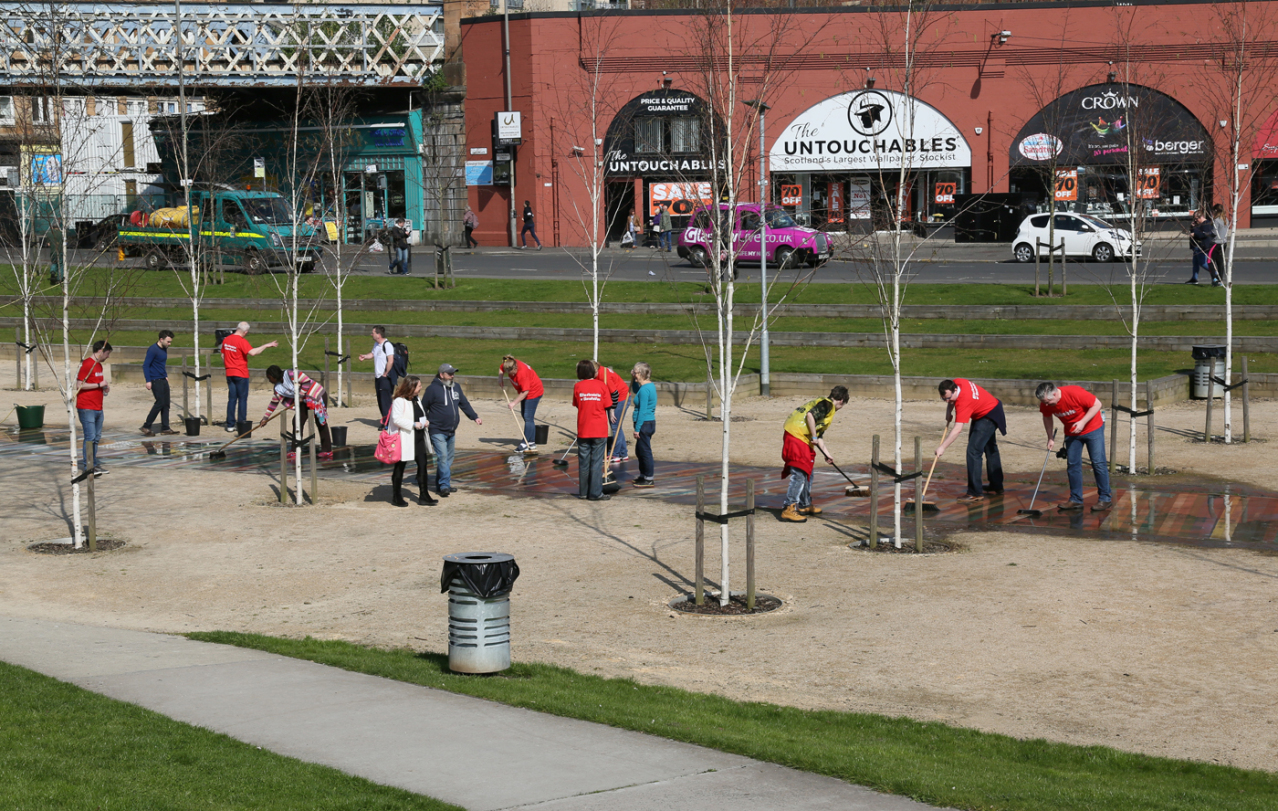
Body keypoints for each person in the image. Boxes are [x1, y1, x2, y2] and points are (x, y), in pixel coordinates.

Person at [1036, 382, 1112, 512]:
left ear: (1055, 393)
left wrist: (1082, 422)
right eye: (1044, 402)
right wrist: (1050, 437)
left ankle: (1105, 498)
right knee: (1072, 465)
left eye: (1048, 401)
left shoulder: (1074, 392)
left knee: (1098, 463)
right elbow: (1047, 417)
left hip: (1093, 428)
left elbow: (1097, 404)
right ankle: (1076, 499)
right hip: (1071, 432)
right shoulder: (1046, 403)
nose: (1047, 405)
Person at [779, 386, 848, 523]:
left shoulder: (825, 407)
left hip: (800, 437)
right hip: (796, 436)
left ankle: (805, 505)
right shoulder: (827, 404)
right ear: (841, 401)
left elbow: (819, 435)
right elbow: (810, 415)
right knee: (799, 472)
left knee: (808, 471)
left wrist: (827, 454)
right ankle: (789, 507)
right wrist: (814, 437)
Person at [936, 378, 1007, 503]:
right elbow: (951, 401)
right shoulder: (957, 382)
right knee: (990, 448)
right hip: (986, 409)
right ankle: (996, 486)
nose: (947, 401)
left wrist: (942, 447)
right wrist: (948, 412)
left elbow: (957, 429)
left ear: (955, 389)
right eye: (944, 399)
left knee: (973, 451)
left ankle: (974, 493)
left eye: (948, 398)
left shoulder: (963, 402)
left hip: (989, 414)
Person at [422, 363, 482, 497]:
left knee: (448, 459)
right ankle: (445, 486)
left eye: (453, 373)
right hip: (436, 430)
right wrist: (424, 422)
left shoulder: (456, 387)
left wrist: (474, 417)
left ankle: (441, 484)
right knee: (442, 458)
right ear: (441, 375)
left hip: (451, 430)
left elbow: (464, 403)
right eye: (449, 374)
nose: (452, 376)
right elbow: (423, 407)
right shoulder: (432, 389)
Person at [260, 365, 333, 458]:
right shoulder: (277, 388)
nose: (269, 380)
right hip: (304, 400)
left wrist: (301, 396)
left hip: (317, 396)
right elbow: (273, 403)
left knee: (320, 422)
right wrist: (265, 418)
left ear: (274, 376)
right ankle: (295, 450)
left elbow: (306, 381)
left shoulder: (291, 373)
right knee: (297, 421)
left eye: (269, 378)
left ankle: (327, 450)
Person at [221, 322, 277, 432]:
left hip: (229, 372)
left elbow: (223, 355)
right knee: (242, 399)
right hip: (241, 373)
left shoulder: (226, 339)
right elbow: (253, 352)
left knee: (232, 399)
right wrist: (266, 345)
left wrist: (228, 365)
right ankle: (242, 423)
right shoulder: (241, 341)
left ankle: (230, 424)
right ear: (245, 332)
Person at [572, 358, 611, 501]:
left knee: (584, 462)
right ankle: (595, 493)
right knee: (596, 462)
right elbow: (608, 405)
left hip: (583, 428)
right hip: (599, 429)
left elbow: (577, 404)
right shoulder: (601, 386)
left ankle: (583, 492)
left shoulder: (577, 387)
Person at [389, 376, 428, 507]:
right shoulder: (399, 401)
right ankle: (396, 495)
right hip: (404, 438)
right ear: (411, 387)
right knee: (400, 466)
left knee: (423, 464)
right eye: (419, 386)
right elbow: (396, 419)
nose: (421, 388)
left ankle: (424, 494)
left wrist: (424, 421)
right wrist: (412, 424)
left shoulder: (417, 399)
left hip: (418, 437)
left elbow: (419, 414)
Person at [75, 340, 113, 476]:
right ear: (101, 351)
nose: (108, 356)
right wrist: (98, 385)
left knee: (96, 437)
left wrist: (104, 388)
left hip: (98, 407)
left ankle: (94, 464)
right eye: (107, 353)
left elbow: (97, 383)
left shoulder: (99, 366)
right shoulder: (87, 364)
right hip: (86, 407)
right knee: (90, 437)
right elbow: (79, 385)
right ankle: (88, 467)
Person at [499, 354, 544, 452]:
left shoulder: (522, 374)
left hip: (533, 392)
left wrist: (513, 403)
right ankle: (531, 441)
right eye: (508, 373)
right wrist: (500, 378)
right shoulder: (508, 363)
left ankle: (525, 443)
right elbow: (501, 368)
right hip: (524, 392)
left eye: (512, 373)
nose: (511, 375)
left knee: (528, 417)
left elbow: (525, 392)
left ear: (515, 368)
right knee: (526, 416)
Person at [141, 330, 178, 436]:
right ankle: (146, 426)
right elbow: (146, 365)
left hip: (162, 378)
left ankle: (165, 427)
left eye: (170, 342)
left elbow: (160, 364)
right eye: (168, 342)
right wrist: (148, 380)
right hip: (155, 380)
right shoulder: (153, 350)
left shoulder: (164, 349)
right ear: (161, 340)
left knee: (166, 404)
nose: (169, 344)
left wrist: (165, 375)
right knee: (160, 402)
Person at [358, 326, 396, 420]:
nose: (372, 334)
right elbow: (372, 354)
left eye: (373, 333)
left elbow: (390, 360)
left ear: (378, 335)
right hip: (378, 377)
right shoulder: (376, 344)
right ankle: (385, 420)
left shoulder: (387, 345)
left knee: (385, 401)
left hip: (385, 378)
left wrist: (386, 373)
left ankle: (387, 422)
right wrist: (365, 356)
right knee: (380, 400)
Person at [630, 362, 657, 487]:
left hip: (645, 423)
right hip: (646, 423)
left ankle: (649, 478)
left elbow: (643, 410)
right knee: (639, 450)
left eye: (635, 372)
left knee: (645, 451)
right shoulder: (645, 387)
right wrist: (634, 379)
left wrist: (637, 428)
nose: (634, 374)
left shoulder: (646, 390)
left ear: (640, 374)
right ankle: (643, 475)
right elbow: (636, 390)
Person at [596, 362, 629, 463]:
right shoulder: (600, 371)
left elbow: (615, 393)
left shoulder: (603, 375)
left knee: (615, 426)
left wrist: (612, 410)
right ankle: (623, 453)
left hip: (620, 398)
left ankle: (615, 454)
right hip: (618, 397)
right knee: (617, 426)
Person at [1185, 210, 1219, 286]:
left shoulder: (1207, 224)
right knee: (1195, 263)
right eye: (1194, 219)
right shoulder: (1198, 224)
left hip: (1202, 246)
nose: (1195, 220)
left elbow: (1205, 235)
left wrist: (1195, 233)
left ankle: (1216, 274)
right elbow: (1194, 233)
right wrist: (1192, 227)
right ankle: (1194, 278)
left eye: (1196, 219)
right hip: (1196, 245)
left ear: (1202, 217)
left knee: (1202, 263)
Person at [1209, 202, 1228, 285]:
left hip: (1216, 243)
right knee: (1220, 261)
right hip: (1224, 243)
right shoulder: (1225, 220)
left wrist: (1206, 233)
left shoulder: (1216, 220)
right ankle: (1221, 279)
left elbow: (1214, 232)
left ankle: (1215, 277)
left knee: (1210, 261)